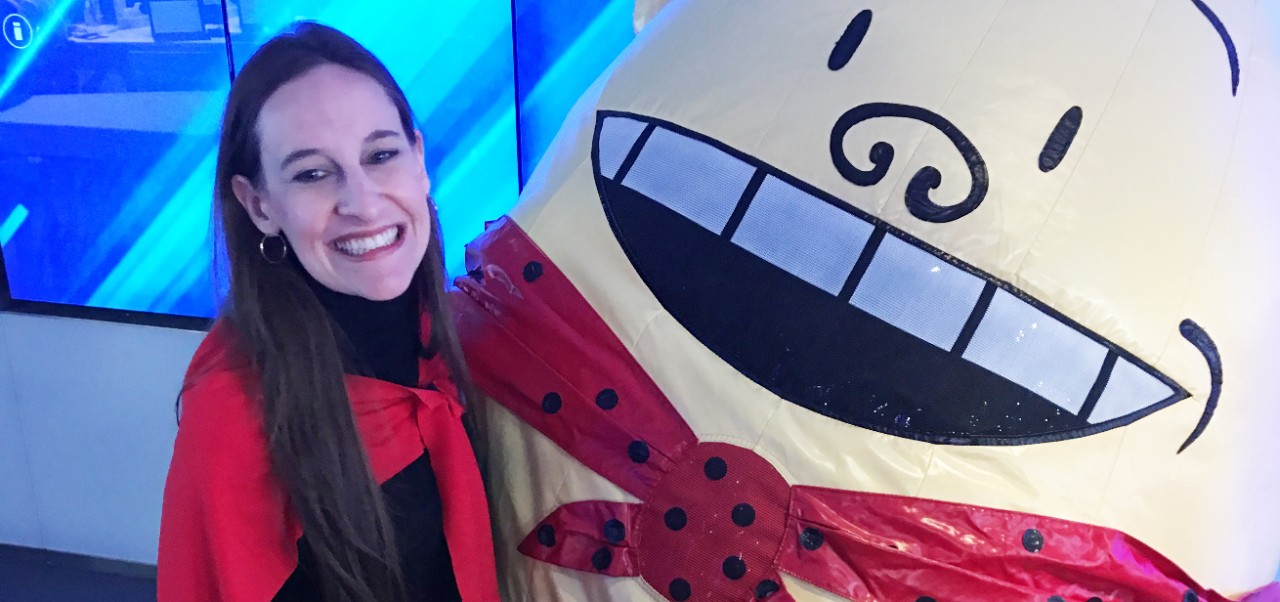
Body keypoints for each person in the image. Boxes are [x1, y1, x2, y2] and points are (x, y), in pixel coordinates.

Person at [157, 22, 499, 602]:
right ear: (259, 204)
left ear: (418, 161)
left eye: (381, 155)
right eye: (313, 173)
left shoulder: (468, 341)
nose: (362, 203)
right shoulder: (235, 418)